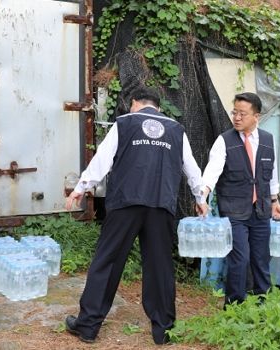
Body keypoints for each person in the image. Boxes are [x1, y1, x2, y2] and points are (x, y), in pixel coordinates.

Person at [63, 87, 207, 344]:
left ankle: (88, 326)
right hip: (160, 205)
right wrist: (200, 198)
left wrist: (81, 188)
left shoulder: (125, 123)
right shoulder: (176, 130)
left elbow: (102, 160)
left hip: (126, 203)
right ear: (158, 107)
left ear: (135, 104)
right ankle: (163, 330)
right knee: (160, 266)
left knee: (107, 261)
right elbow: (192, 168)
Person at [201, 92, 280, 306]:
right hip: (234, 210)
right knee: (240, 259)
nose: (236, 118)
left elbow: (271, 173)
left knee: (261, 258)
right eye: (234, 112)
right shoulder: (224, 141)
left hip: (261, 209)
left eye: (242, 114)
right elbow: (212, 171)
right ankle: (234, 306)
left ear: (256, 116)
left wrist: (275, 202)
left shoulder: (267, 140)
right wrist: (202, 196)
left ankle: (262, 302)